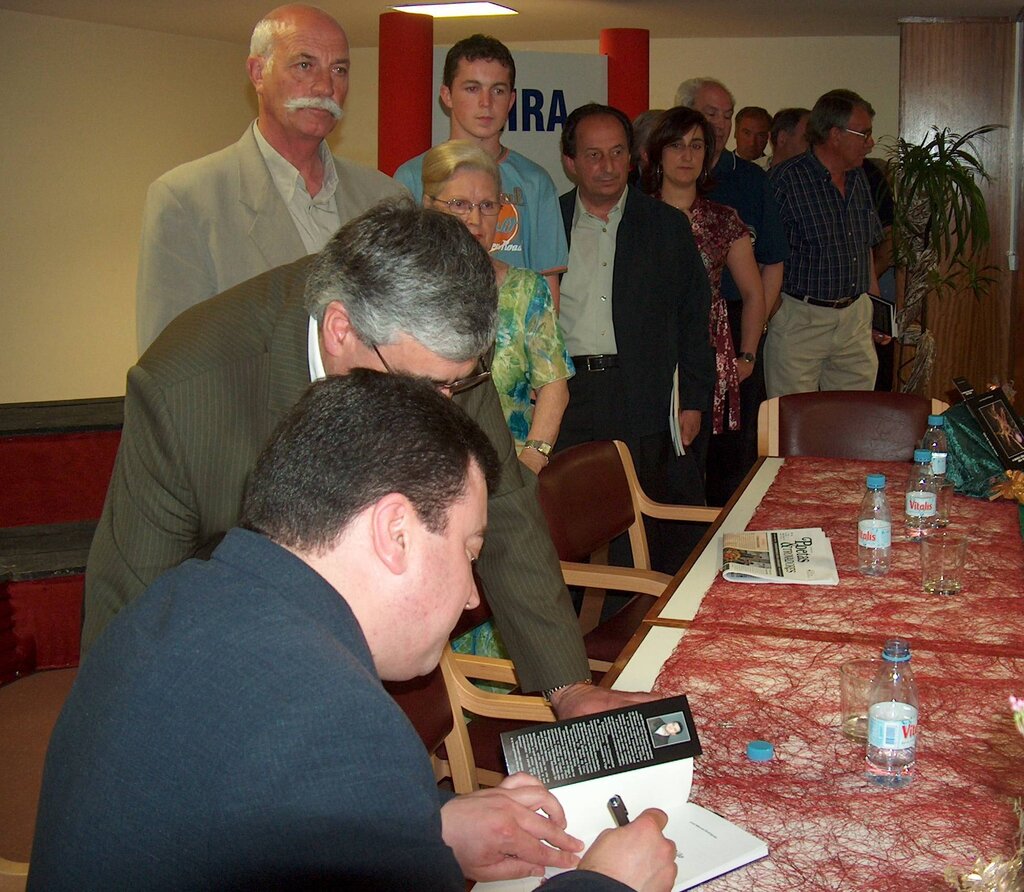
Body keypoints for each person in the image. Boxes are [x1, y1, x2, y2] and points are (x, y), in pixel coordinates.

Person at [31, 372, 678, 890]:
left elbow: (243, 821)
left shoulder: (171, 601)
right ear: (395, 533)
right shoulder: (334, 721)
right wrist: (607, 884)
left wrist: (427, 828)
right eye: (469, 551)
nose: (472, 594)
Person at [85, 200, 652, 720]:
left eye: (460, 383)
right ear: (340, 330)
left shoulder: (437, 362)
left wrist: (568, 687)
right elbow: (131, 614)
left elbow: (506, 510)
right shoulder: (186, 393)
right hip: (231, 657)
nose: (443, 410)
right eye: (428, 386)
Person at [135, 3, 404, 352]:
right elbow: (168, 371)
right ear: (258, 72)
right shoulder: (187, 201)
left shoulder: (386, 199)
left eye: (339, 69)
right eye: (304, 65)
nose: (325, 86)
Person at [558, 103, 715, 574]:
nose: (607, 167)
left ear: (632, 157)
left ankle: (631, 625)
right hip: (566, 392)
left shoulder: (665, 226)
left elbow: (694, 319)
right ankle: (566, 626)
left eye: (617, 153)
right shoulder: (549, 223)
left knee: (639, 523)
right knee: (565, 518)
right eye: (593, 155)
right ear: (570, 162)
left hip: (641, 390)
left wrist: (692, 399)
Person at [422, 141, 573, 475]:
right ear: (429, 206)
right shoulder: (403, 289)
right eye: (459, 204)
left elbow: (554, 388)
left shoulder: (525, 289)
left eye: (487, 205)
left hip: (507, 477)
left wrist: (533, 460)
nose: (475, 219)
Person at [673, 77, 788, 505]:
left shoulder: (747, 185)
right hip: (670, 334)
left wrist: (749, 346)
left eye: (727, 115)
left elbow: (770, 266)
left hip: (734, 325)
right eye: (710, 114)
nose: (720, 125)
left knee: (730, 453)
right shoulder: (648, 197)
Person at [395, 34, 568, 309]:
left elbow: (547, 294)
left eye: (497, 90)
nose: (486, 103)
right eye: (472, 89)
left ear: (511, 100)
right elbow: (396, 282)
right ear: (447, 95)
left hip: (510, 339)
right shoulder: (412, 177)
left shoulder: (535, 182)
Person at [642, 107, 765, 494]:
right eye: (677, 145)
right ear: (658, 153)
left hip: (707, 351)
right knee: (649, 457)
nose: (687, 155)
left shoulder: (723, 218)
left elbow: (753, 292)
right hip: (648, 345)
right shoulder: (635, 213)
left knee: (700, 465)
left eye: (696, 145)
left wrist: (747, 355)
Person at [765, 89, 883, 398]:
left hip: (854, 319)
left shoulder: (860, 178)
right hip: (800, 319)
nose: (871, 143)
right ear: (835, 134)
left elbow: (865, 247)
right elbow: (762, 254)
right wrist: (776, 311)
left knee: (854, 419)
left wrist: (876, 309)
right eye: (864, 134)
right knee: (792, 420)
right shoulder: (785, 181)